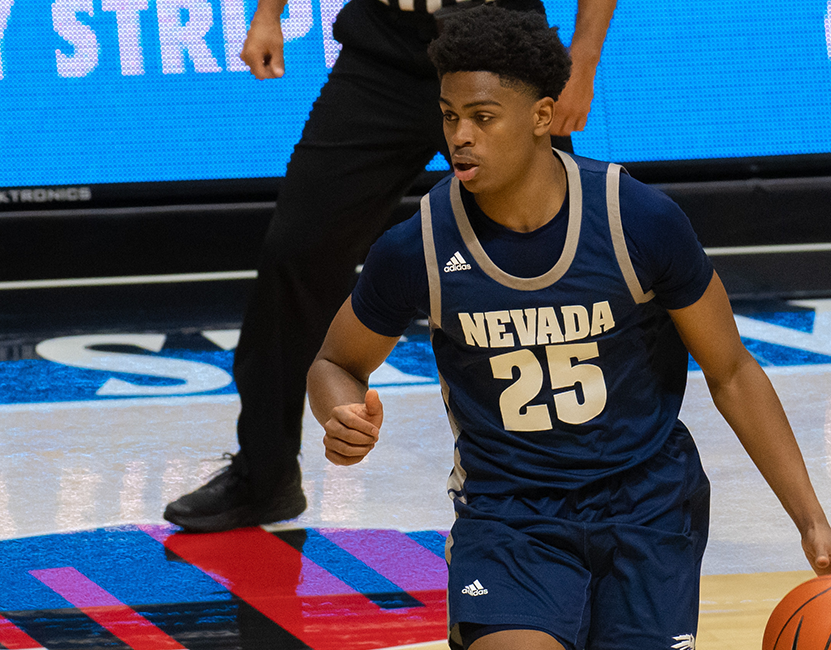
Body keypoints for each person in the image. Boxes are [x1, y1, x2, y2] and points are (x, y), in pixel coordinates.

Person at [306, 7, 831, 650]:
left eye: (483, 116)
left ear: (544, 115)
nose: (458, 135)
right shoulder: (420, 245)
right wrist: (337, 410)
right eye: (449, 114)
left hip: (646, 509)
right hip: (509, 516)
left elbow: (731, 371)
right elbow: (337, 360)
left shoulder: (635, 220)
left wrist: (811, 521)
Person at [164, 0, 617, 532]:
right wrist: (268, 14)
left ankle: (596, 472)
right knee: (297, 251)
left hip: (497, 46)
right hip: (383, 48)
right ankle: (265, 477)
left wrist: (582, 60)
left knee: (556, 252)